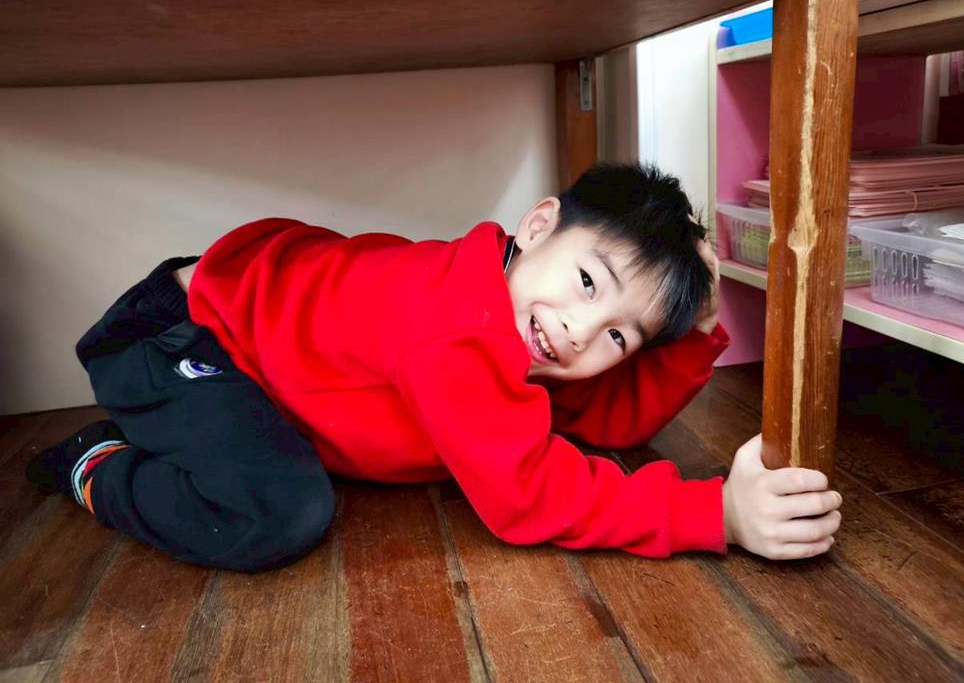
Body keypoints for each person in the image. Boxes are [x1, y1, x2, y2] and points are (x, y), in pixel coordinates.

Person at [27, 162, 842, 572]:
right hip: (182, 337)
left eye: (619, 338)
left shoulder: (524, 321)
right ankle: (98, 461)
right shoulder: (458, 325)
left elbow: (604, 423)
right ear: (537, 225)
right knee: (276, 512)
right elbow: (527, 498)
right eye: (588, 283)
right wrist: (715, 515)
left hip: (271, 333)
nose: (577, 331)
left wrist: (696, 333)